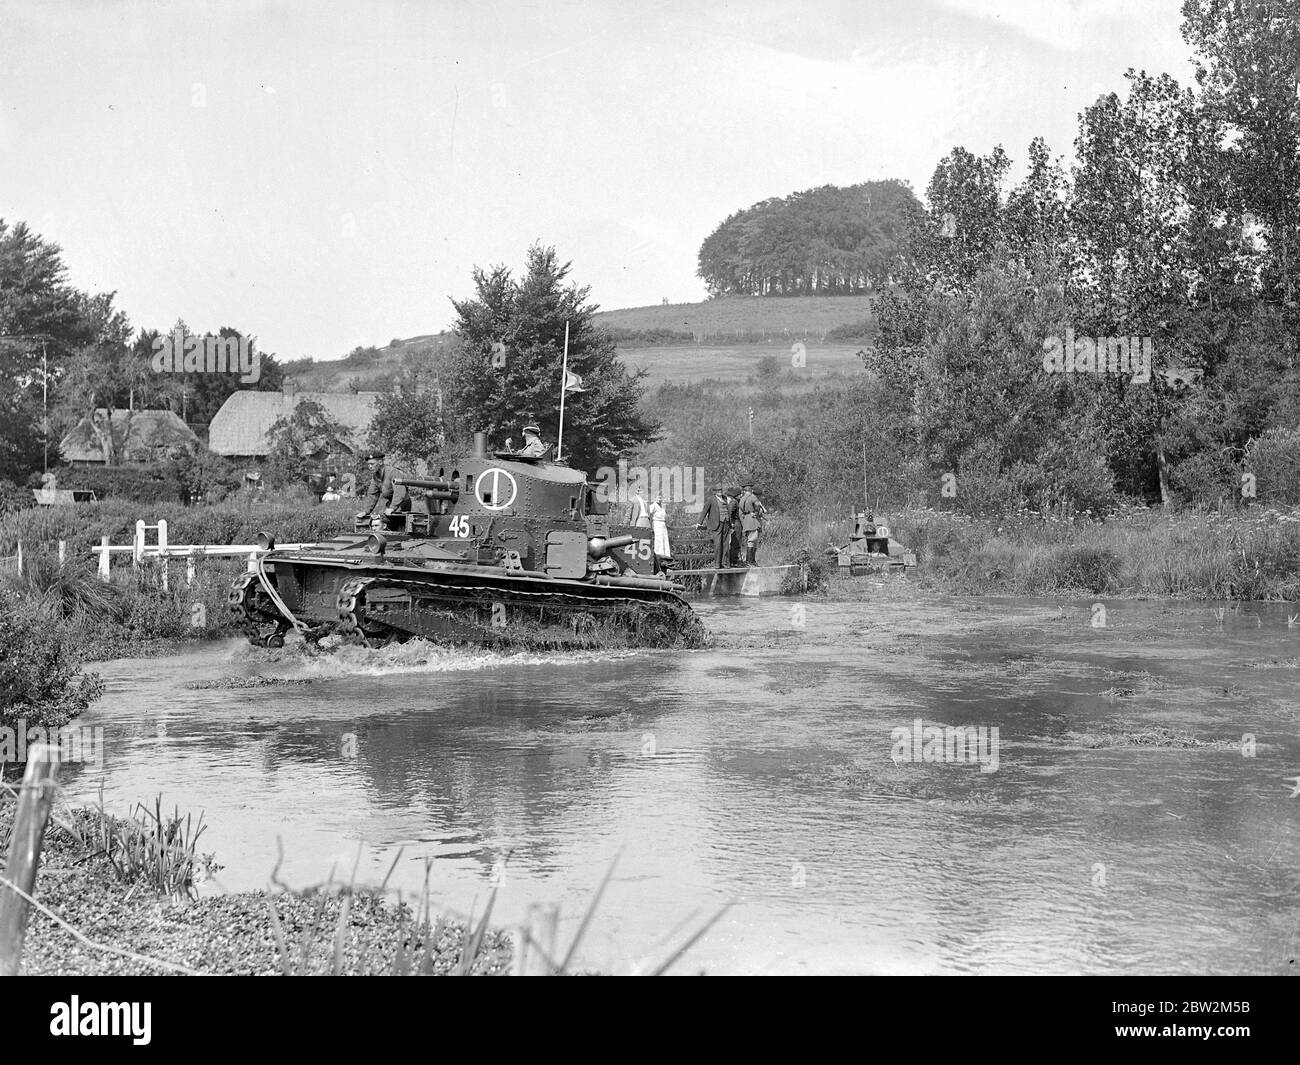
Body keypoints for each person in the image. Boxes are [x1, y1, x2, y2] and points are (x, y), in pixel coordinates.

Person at [357, 451, 396, 524]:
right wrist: (366, 511)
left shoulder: (392, 472)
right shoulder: (376, 476)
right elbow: (372, 494)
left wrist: (392, 508)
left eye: (372, 464)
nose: (370, 466)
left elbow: (400, 492)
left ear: (380, 462)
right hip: (390, 505)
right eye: (368, 464)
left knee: (391, 525)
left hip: (401, 505)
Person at [697, 485, 731, 570]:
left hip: (726, 523)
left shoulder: (725, 498)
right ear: (715, 491)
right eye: (718, 490)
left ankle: (725, 563)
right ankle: (717, 564)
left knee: (726, 544)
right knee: (718, 544)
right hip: (716, 524)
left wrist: (731, 523)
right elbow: (705, 510)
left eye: (721, 490)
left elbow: (728, 510)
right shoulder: (711, 499)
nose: (720, 491)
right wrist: (699, 522)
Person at [738, 482, 768, 565]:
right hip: (753, 521)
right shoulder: (753, 498)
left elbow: (741, 511)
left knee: (751, 540)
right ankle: (750, 561)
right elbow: (758, 508)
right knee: (752, 540)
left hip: (747, 521)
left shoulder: (742, 498)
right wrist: (757, 512)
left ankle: (750, 560)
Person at [648, 494, 672, 573]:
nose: (659, 499)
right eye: (658, 497)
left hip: (663, 525)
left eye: (660, 497)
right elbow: (649, 514)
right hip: (657, 524)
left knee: (664, 540)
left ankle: (666, 557)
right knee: (659, 541)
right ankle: (659, 556)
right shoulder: (653, 506)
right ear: (655, 498)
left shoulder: (662, 506)